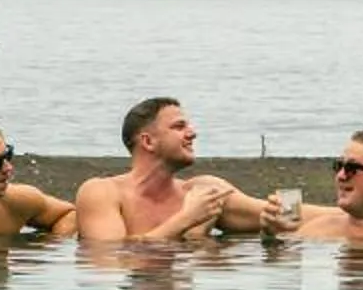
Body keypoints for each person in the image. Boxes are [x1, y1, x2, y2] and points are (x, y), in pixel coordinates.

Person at [73, 96, 298, 243]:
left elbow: (294, 214)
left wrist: (274, 227)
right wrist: (187, 218)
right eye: (179, 127)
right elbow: (110, 258)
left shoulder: (203, 193)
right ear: (148, 142)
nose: (192, 133)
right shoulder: (102, 192)